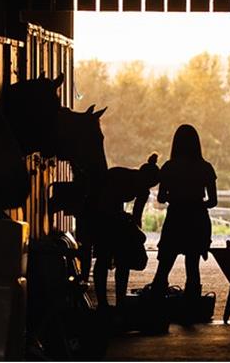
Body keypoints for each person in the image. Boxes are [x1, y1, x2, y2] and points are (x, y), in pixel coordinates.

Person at [150, 124, 217, 300]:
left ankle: (156, 304)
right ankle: (192, 306)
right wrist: (195, 202)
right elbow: (213, 201)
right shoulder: (205, 168)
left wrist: (177, 199)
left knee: (164, 265)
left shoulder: (169, 167)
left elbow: (161, 198)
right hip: (197, 219)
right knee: (193, 266)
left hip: (176, 218)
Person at [91, 153, 159, 310]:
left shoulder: (143, 189)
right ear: (141, 175)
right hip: (101, 213)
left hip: (115, 217)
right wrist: (123, 220)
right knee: (103, 258)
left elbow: (137, 216)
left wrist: (135, 236)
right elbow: (104, 203)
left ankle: (120, 301)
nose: (146, 187)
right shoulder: (119, 176)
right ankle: (103, 303)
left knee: (123, 259)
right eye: (147, 183)